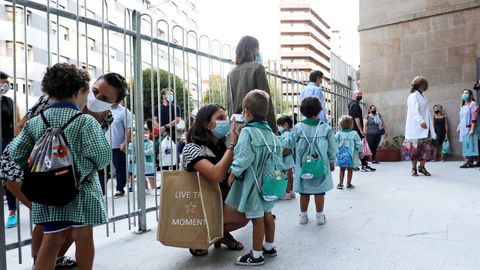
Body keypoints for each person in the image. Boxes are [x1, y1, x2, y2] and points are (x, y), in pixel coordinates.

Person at [0, 71, 127, 268]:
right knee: (66, 227)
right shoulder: (53, 103)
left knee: (54, 229)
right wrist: (39, 166)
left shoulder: (105, 117)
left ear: (114, 103)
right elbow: (100, 156)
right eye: (94, 91)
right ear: (82, 89)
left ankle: (50, 261)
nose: (96, 97)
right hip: (40, 174)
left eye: (104, 98)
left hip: (59, 178)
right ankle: (41, 261)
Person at [182, 104, 248, 257]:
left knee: (246, 213)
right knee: (242, 215)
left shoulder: (220, 146)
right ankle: (201, 236)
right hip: (198, 205)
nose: (225, 121)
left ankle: (219, 234)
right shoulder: (192, 148)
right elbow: (216, 175)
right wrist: (232, 144)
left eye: (226, 117)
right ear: (206, 123)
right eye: (220, 118)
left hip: (218, 199)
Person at [226, 90, 281, 266]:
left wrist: (232, 173)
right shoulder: (272, 134)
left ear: (246, 112)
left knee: (256, 219)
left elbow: (244, 157)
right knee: (268, 214)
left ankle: (256, 255)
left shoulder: (248, 132)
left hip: (254, 185)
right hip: (269, 183)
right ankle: (269, 247)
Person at [285, 97, 336, 225]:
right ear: (319, 110)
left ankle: (303, 216)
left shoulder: (298, 128)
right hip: (320, 165)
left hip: (303, 167)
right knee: (319, 191)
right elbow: (332, 148)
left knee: (304, 191)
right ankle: (319, 216)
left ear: (302, 111)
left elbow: (289, 144)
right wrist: (331, 162)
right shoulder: (325, 128)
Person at [227, 35, 277, 133]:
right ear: (252, 50)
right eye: (257, 49)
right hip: (257, 125)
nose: (258, 52)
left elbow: (229, 103)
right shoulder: (258, 68)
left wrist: (232, 127)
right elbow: (266, 100)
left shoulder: (231, 74)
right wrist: (273, 127)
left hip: (238, 125)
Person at [403, 76, 436, 176]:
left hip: (425, 128)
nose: (426, 86)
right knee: (415, 150)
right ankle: (414, 169)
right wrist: (421, 121)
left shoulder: (422, 96)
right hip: (416, 128)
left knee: (425, 149)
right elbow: (414, 111)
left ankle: (422, 167)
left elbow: (425, 112)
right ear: (422, 85)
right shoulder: (413, 96)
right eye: (425, 84)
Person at [0, 71, 20, 229]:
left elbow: (18, 122)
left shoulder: (9, 101)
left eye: (7, 83)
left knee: (9, 178)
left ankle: (12, 212)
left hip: (7, 142)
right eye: (3, 82)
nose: (6, 85)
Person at [102, 102, 133, 197]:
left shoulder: (124, 111)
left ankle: (120, 189)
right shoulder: (103, 110)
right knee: (102, 169)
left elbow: (128, 128)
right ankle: (101, 190)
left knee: (120, 168)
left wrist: (125, 142)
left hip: (118, 145)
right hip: (104, 145)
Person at [348, 90, 376, 172]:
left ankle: (361, 164)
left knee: (357, 148)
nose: (360, 95)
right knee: (359, 148)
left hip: (353, 129)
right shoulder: (355, 105)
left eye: (361, 94)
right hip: (356, 130)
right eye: (358, 94)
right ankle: (363, 165)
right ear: (353, 95)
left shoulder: (351, 104)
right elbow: (357, 118)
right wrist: (361, 130)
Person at [154, 88, 181, 168]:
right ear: (163, 95)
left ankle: (174, 170)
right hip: (161, 135)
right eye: (169, 94)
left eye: (172, 94)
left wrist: (165, 127)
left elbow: (177, 120)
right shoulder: (157, 108)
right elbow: (154, 120)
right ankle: (163, 172)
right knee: (162, 154)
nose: (171, 96)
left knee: (172, 154)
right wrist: (160, 129)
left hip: (172, 134)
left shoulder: (175, 107)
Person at [335, 115, 363, 190]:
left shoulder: (338, 133)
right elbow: (359, 144)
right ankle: (349, 184)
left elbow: (333, 141)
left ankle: (340, 184)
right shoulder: (354, 133)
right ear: (351, 125)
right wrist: (360, 152)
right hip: (351, 155)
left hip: (341, 155)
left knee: (342, 169)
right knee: (350, 170)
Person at [128, 126, 156, 195]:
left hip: (147, 162)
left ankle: (153, 189)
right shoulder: (133, 143)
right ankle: (146, 189)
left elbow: (151, 151)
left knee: (150, 176)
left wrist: (139, 152)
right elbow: (130, 151)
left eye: (144, 132)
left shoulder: (150, 142)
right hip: (138, 162)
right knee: (141, 176)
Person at [457, 89, 478, 168]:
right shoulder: (463, 105)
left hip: (469, 127)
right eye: (463, 93)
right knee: (465, 144)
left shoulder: (472, 104)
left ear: (471, 95)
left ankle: (469, 161)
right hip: (463, 128)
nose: (464, 94)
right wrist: (459, 126)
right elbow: (461, 118)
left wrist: (472, 129)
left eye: (466, 93)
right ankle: (468, 161)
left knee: (468, 144)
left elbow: (474, 117)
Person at [277, 116, 295, 200]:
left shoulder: (285, 134)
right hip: (289, 158)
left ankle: (287, 193)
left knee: (285, 176)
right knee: (290, 175)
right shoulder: (291, 133)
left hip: (285, 158)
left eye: (279, 125)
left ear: (285, 125)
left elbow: (284, 147)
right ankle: (291, 191)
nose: (279, 128)